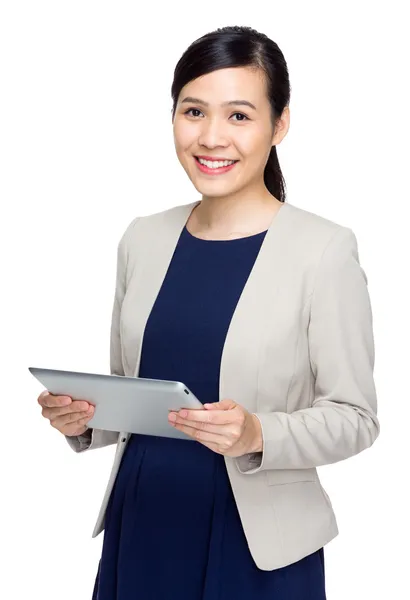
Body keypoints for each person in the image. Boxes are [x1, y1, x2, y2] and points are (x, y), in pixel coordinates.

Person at [37, 25, 380, 599]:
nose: (211, 137)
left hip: (257, 545)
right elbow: (134, 392)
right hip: (143, 521)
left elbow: (356, 418)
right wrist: (87, 417)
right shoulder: (142, 239)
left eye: (240, 116)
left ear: (280, 124)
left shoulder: (323, 251)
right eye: (193, 111)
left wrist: (256, 432)